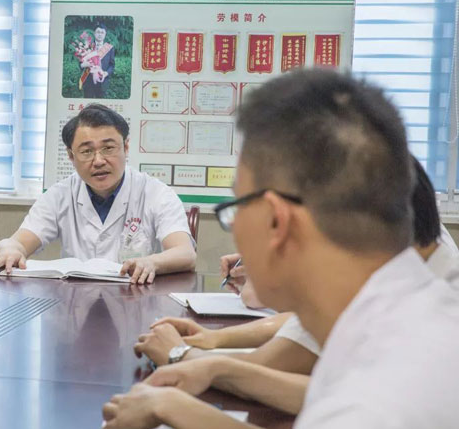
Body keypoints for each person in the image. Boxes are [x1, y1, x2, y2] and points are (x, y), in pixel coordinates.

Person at [102, 69, 459, 429]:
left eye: (238, 206)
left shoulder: (376, 407)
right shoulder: (410, 315)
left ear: (277, 221)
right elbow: (323, 400)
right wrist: (199, 382)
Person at [130, 156, 459, 415]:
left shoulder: (428, 308)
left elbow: (288, 369)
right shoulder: (406, 258)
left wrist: (183, 358)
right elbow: (323, 390)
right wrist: (214, 344)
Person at [0, 104, 196, 284]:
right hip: (75, 304)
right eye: (86, 151)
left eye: (108, 148)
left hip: (137, 301)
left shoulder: (156, 193)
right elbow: (16, 243)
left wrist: (152, 262)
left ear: (126, 147)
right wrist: (8, 249)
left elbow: (185, 253)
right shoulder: (60, 195)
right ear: (71, 156)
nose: (99, 161)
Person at [80, 24, 115, 98]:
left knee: (100, 103)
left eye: (102, 33)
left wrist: (106, 73)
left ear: (105, 34)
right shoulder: (87, 46)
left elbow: (112, 65)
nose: (100, 34)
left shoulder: (109, 48)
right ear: (94, 33)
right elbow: (80, 63)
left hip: (102, 80)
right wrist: (83, 64)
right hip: (88, 80)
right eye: (98, 32)